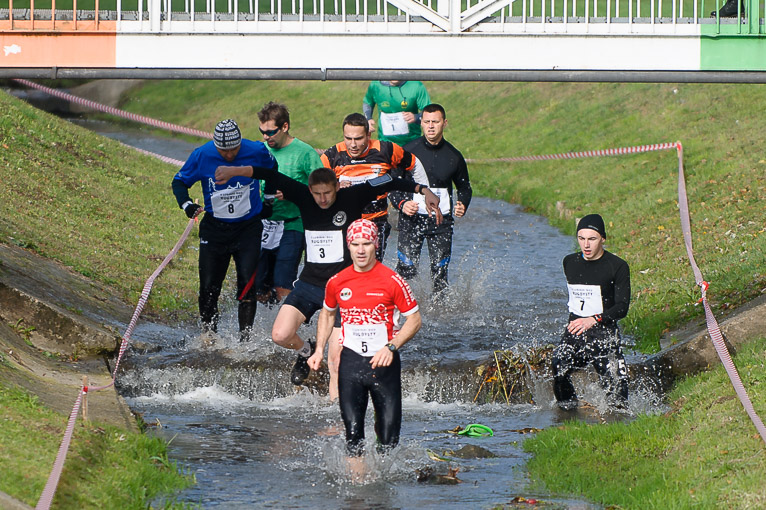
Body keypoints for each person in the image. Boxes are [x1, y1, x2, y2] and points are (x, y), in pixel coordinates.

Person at [213, 165, 440, 397]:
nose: (322, 199)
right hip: (309, 284)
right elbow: (270, 174)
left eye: (328, 193)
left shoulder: (352, 196)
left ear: (337, 187)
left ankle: (335, 412)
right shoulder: (303, 196)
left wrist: (424, 190)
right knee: (280, 334)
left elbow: (389, 181)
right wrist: (233, 172)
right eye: (317, 193)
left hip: (343, 290)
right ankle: (306, 351)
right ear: (310, 190)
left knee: (336, 359)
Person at [308, 218, 422, 464]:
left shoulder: (392, 280)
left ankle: (381, 486)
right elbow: (327, 314)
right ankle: (358, 492)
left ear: (375, 245)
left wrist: (392, 346)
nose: (361, 250)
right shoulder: (337, 281)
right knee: (353, 436)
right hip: (350, 364)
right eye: (356, 244)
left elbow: (414, 319)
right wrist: (318, 350)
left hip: (384, 365)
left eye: (367, 244)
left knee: (389, 439)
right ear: (348, 246)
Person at [171, 119, 277, 341]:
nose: (229, 155)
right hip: (215, 229)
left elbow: (272, 169)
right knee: (209, 287)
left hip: (248, 227)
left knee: (247, 284)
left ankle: (244, 341)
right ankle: (209, 335)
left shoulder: (256, 149)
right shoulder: (202, 154)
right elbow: (179, 182)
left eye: (234, 150)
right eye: (223, 151)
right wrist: (187, 204)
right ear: (215, 145)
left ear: (240, 143)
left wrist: (268, 199)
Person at [321, 113, 430, 261]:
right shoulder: (331, 156)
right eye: (348, 138)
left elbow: (414, 164)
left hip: (376, 222)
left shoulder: (386, 149)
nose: (353, 144)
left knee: (368, 269)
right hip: (344, 222)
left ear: (368, 135)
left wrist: (423, 196)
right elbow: (316, 189)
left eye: (358, 139)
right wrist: (336, 186)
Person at [551, 214, 631, 410]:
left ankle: (616, 419)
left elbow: (622, 307)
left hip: (603, 330)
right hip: (576, 330)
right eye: (581, 238)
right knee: (558, 365)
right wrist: (581, 321)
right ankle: (569, 411)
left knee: (615, 390)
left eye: (592, 239)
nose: (586, 245)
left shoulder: (617, 266)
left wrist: (594, 319)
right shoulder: (569, 262)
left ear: (603, 239)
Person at [391, 103, 472, 295]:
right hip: (411, 220)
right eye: (426, 122)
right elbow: (392, 183)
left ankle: (439, 316)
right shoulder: (408, 151)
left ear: (444, 123)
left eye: (435, 122)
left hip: (441, 222)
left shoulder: (454, 156)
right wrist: (402, 204)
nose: (430, 126)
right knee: (406, 271)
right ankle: (401, 312)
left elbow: (464, 187)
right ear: (421, 124)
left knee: (440, 274)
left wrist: (462, 203)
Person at [255, 102, 323, 305]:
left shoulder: (305, 153)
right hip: (263, 224)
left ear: (284, 127)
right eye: (262, 132)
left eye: (270, 132)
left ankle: (287, 329)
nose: (265, 137)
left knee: (283, 282)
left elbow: (322, 193)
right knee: (259, 286)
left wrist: (291, 194)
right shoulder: (259, 151)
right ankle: (264, 330)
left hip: (293, 224)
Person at [363, 80, 431, 146]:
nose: (394, 75)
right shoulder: (376, 85)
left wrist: (416, 117)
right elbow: (368, 102)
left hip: (411, 142)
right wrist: (368, 118)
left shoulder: (416, 85)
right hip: (385, 142)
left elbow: (430, 112)